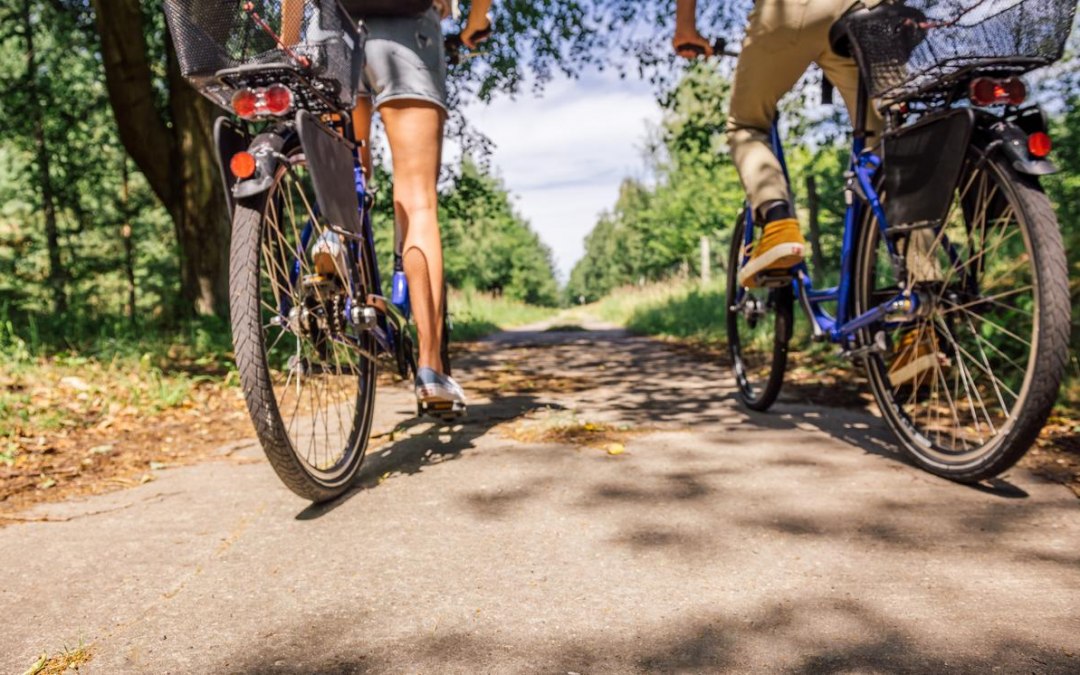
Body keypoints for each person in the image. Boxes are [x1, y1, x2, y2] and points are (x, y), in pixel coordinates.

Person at [299, 0, 491, 415]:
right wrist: (477, 22)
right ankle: (430, 369)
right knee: (417, 199)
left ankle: (333, 236)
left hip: (330, 27)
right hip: (407, 29)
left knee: (346, 174)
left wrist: (289, 36)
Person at [673, 0, 883, 288]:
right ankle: (927, 294)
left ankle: (778, 222)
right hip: (871, 9)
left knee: (746, 125)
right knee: (889, 149)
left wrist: (686, 29)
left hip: (794, 10)